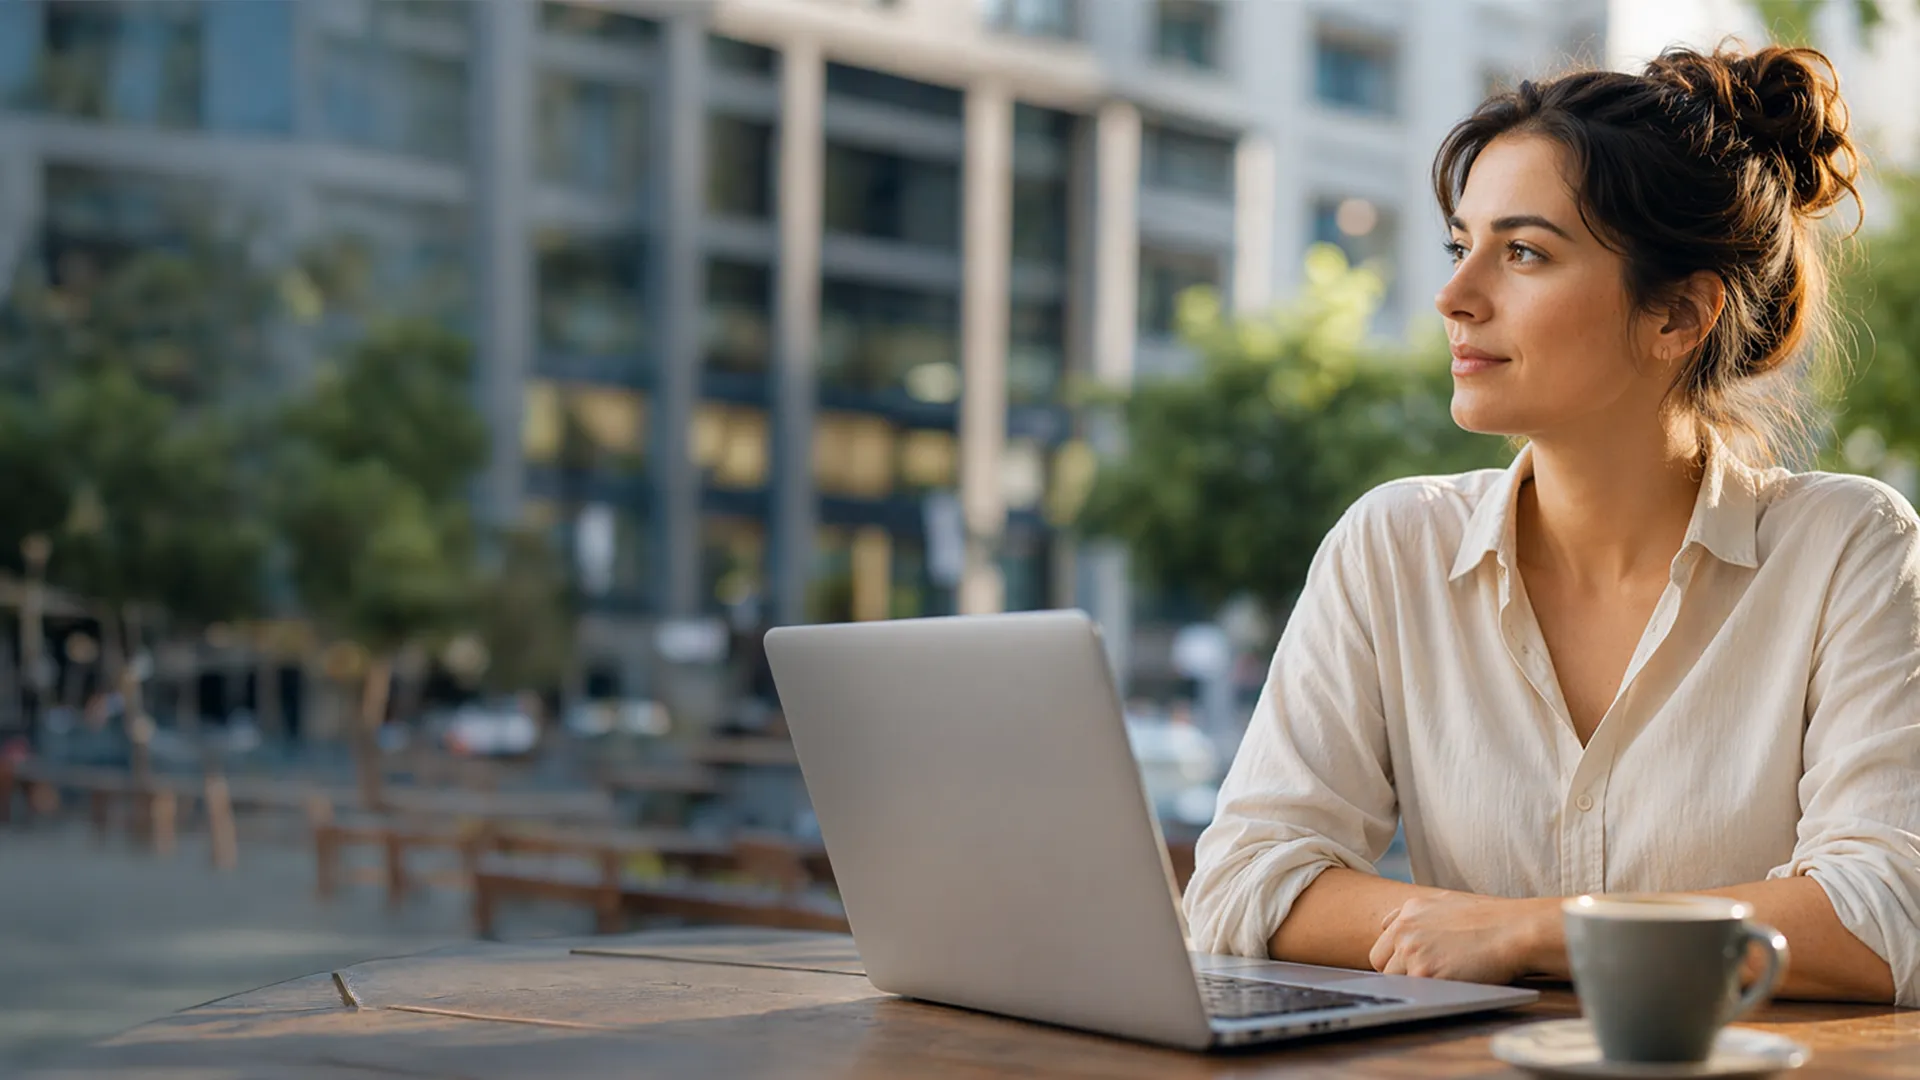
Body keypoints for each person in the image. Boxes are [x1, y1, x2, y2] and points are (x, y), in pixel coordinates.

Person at [1183, 44, 1917, 1007]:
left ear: (1679, 314)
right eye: (1461, 246)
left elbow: (1882, 915)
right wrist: (1457, 933)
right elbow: (1240, 882)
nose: (1455, 296)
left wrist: (1527, 928)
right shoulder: (1392, 546)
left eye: (1523, 252)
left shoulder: (1847, 549)